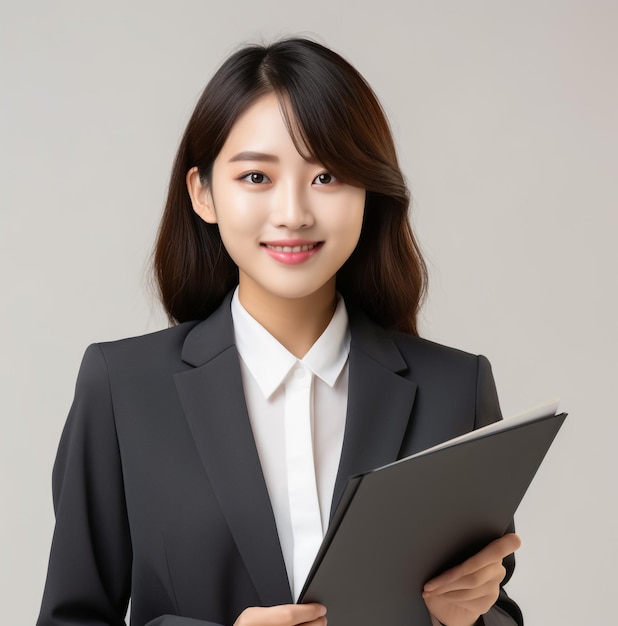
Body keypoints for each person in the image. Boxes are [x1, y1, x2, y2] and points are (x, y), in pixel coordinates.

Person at [36, 38, 523, 626]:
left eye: (327, 176)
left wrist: (461, 618)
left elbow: (497, 610)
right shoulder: (122, 389)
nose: (293, 212)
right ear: (203, 193)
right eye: (256, 177)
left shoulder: (456, 389)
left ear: (368, 193)